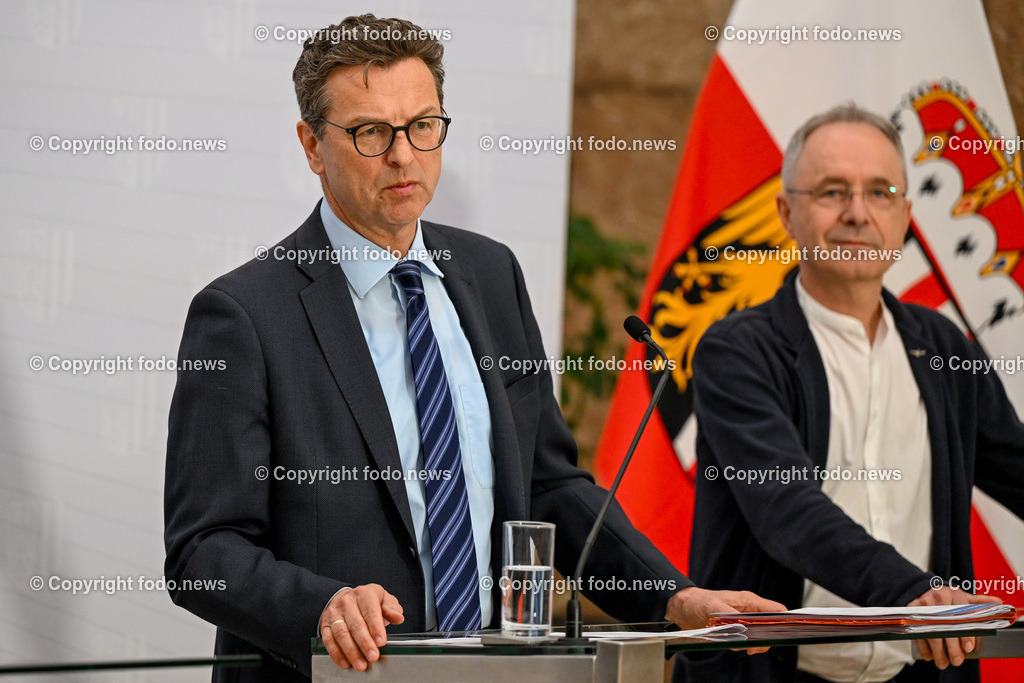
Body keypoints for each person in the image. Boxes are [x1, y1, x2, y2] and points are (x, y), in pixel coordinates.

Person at [163, 14, 782, 682]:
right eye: (371, 132)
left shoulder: (490, 276)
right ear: (312, 145)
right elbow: (202, 551)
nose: (404, 155)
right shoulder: (245, 314)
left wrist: (673, 594)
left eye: (423, 125)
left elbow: (549, 486)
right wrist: (324, 607)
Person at [673, 102, 1024, 683]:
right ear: (787, 211)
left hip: (922, 673)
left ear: (907, 215)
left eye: (881, 192)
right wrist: (914, 592)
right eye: (833, 191)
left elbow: (1014, 463)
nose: (859, 214)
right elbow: (789, 510)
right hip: (771, 676)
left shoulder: (943, 347)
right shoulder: (736, 351)